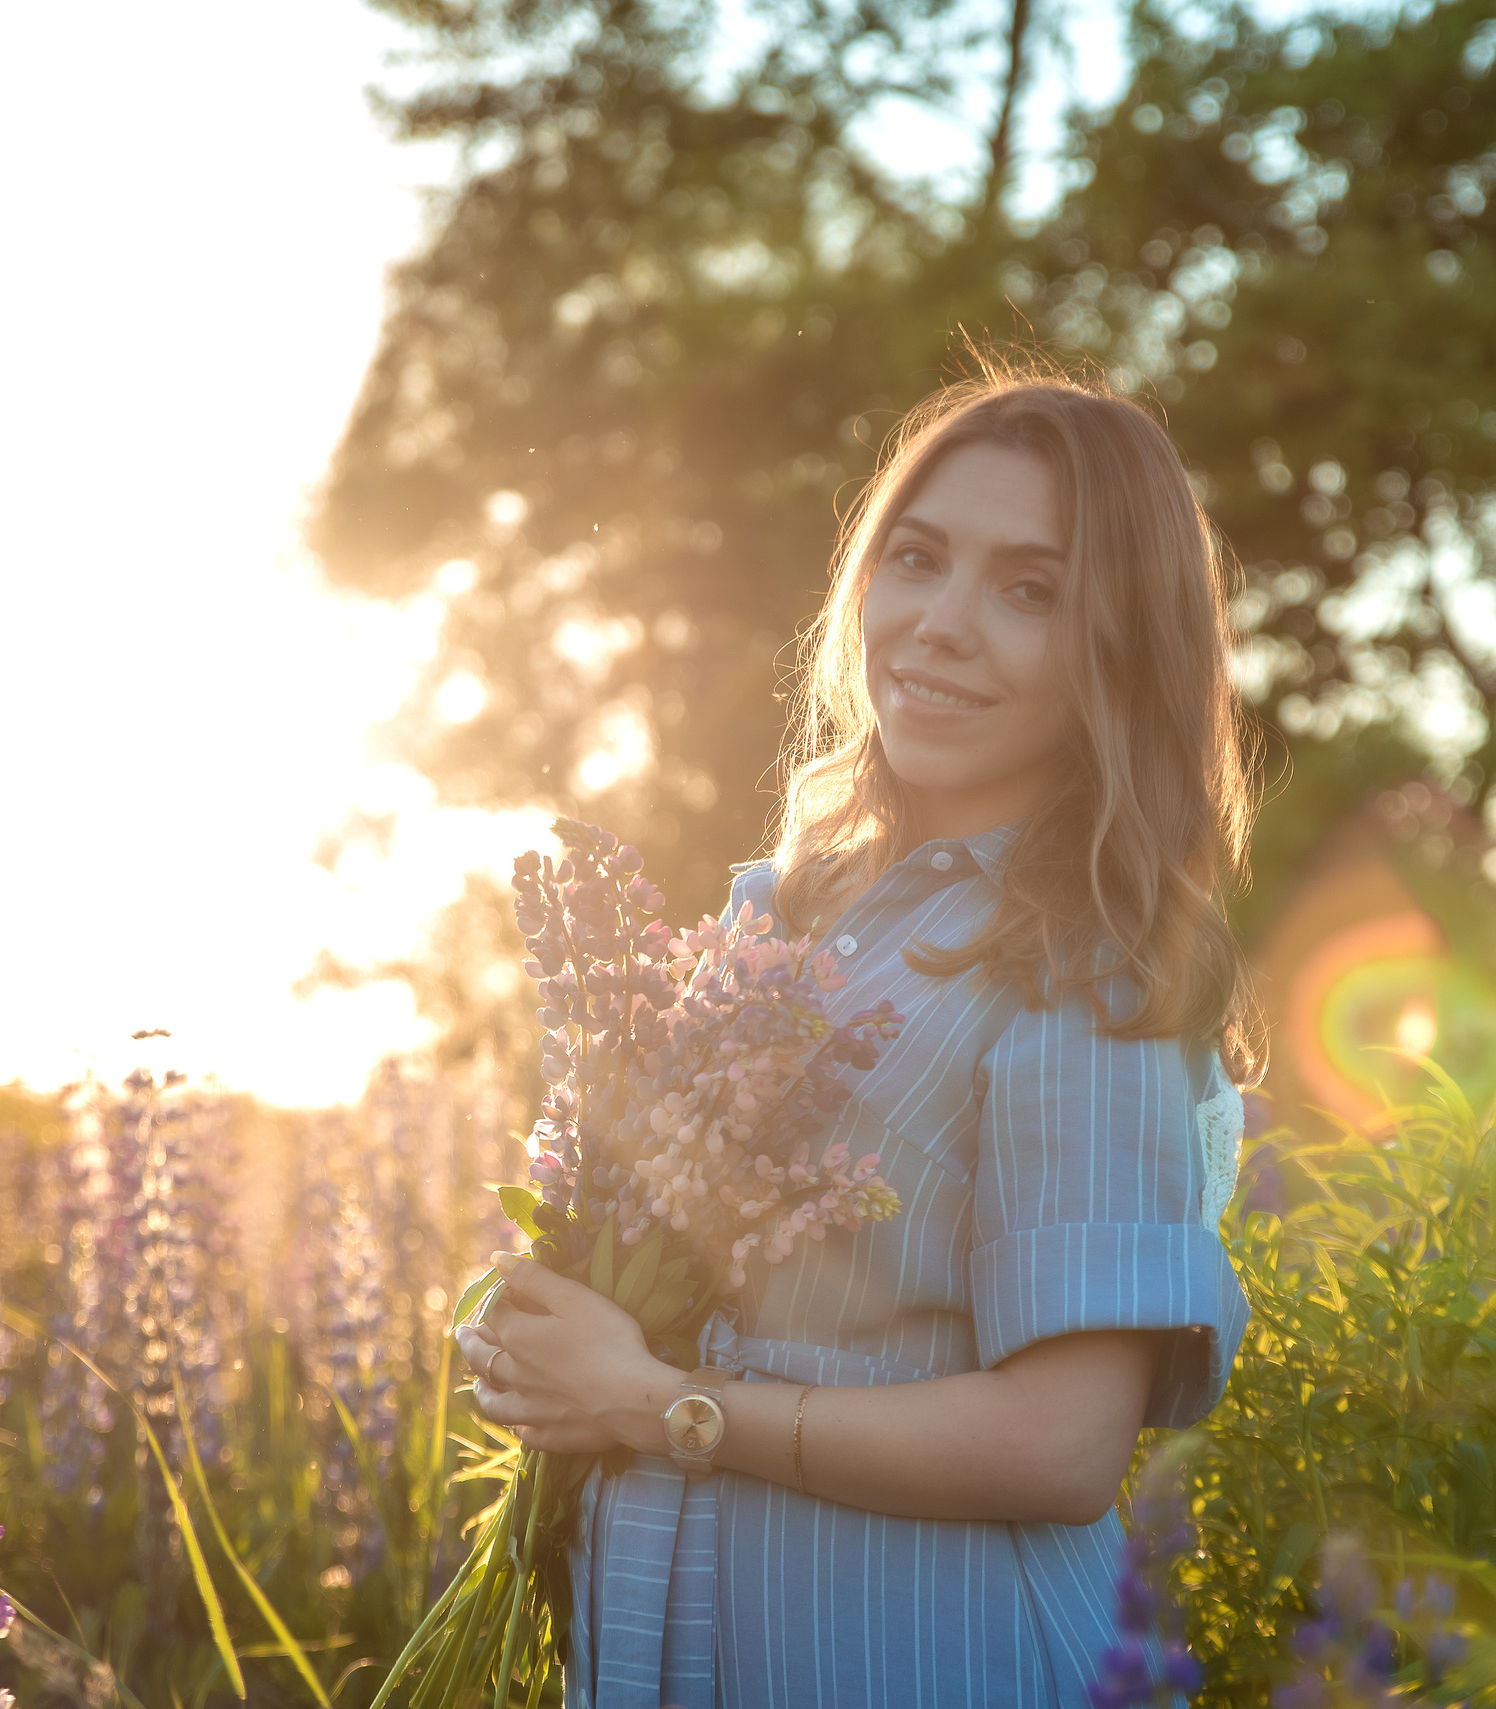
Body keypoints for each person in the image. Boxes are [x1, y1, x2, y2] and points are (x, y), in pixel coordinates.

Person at [456, 360, 1259, 1709]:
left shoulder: (1085, 966)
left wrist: (652, 1405)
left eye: (1029, 591)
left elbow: (1061, 1444)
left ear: (1120, 648)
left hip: (919, 1654)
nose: (940, 625)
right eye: (918, 559)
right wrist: (558, 1338)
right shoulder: (785, 906)